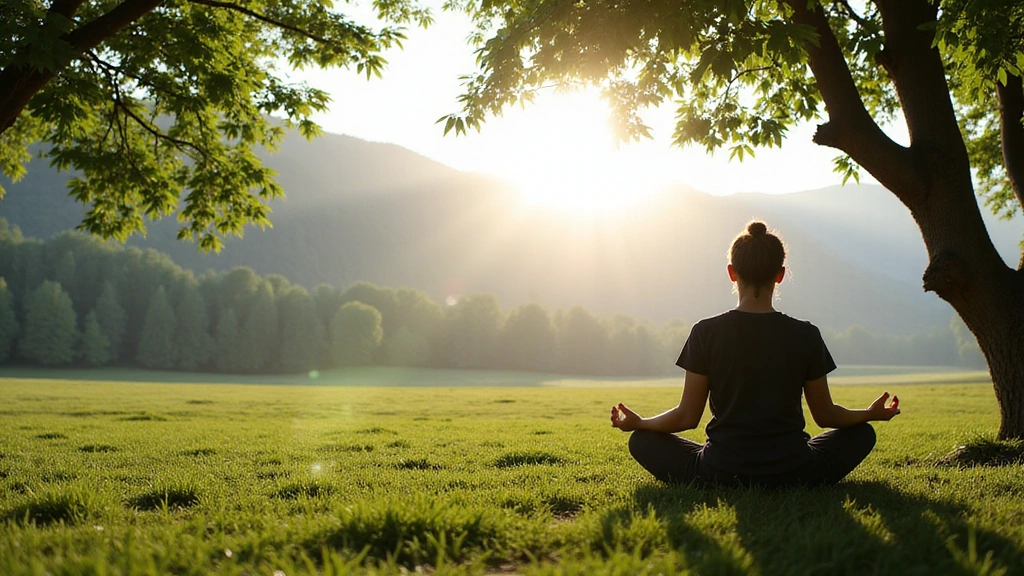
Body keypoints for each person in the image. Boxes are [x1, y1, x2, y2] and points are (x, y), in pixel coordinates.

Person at [611, 221, 901, 487]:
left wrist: (640, 423)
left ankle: (719, 465)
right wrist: (870, 414)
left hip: (721, 471)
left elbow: (686, 417)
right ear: (780, 275)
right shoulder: (806, 334)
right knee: (863, 433)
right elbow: (826, 415)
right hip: (796, 470)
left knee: (642, 441)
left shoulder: (705, 332)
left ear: (731, 272)